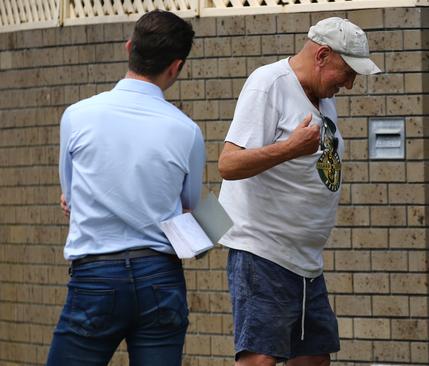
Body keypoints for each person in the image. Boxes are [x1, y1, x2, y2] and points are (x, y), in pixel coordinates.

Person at [218, 17, 381, 366]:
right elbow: (229, 164)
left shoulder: (322, 96)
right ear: (322, 55)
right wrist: (290, 148)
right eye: (348, 72)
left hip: (306, 263)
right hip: (263, 254)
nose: (350, 85)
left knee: (314, 358)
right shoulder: (269, 84)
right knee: (259, 359)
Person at [46, 10, 204, 366]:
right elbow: (189, 209)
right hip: (160, 278)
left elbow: (69, 197)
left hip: (95, 275)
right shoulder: (187, 131)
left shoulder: (76, 116)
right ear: (176, 66)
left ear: (129, 47)